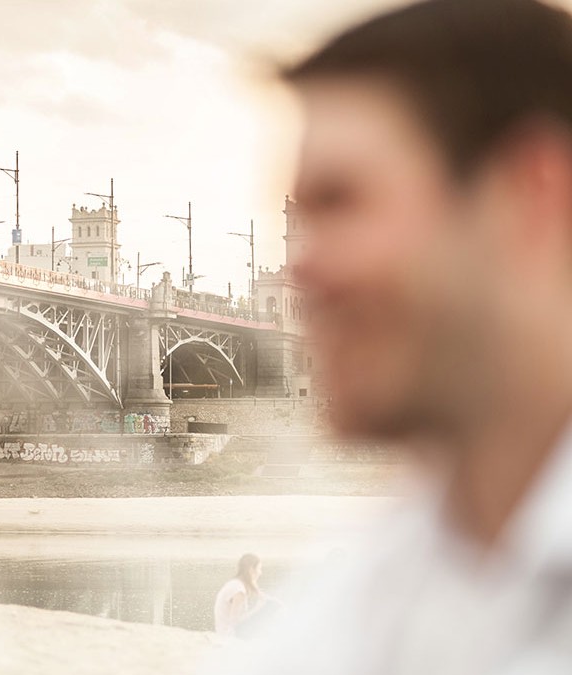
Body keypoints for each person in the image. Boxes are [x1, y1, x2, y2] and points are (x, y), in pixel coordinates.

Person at [224, 1, 572, 673]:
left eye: (342, 201)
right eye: (302, 215)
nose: (299, 266)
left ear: (531, 198)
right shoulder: (363, 598)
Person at [214, 554, 272, 637]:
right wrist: (258, 608)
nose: (260, 573)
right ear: (251, 570)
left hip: (224, 632)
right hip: (228, 636)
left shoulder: (235, 583)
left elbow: (262, 595)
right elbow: (234, 622)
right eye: (259, 569)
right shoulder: (239, 591)